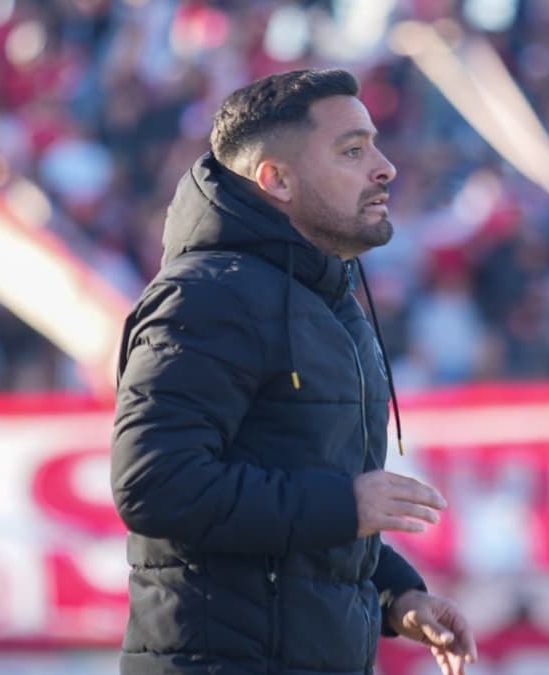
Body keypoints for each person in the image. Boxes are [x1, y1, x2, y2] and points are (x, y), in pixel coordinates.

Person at [110, 69, 477, 675]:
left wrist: (395, 595)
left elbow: (300, 493)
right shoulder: (207, 296)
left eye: (375, 145)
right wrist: (345, 504)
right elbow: (155, 485)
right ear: (275, 179)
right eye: (353, 151)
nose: (385, 168)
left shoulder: (328, 299)